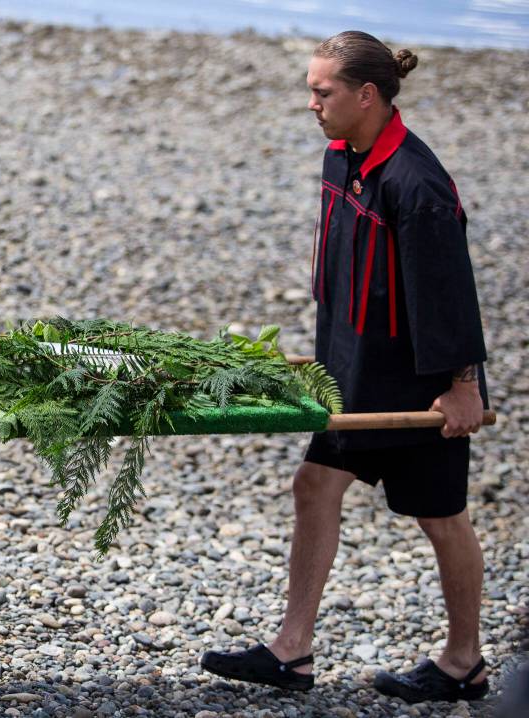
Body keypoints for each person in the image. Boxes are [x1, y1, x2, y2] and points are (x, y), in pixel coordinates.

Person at [200, 31, 490, 704]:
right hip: (354, 374)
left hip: (421, 386)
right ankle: (291, 650)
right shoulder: (343, 158)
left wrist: (462, 385)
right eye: (310, 88)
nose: (311, 103)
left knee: (442, 518)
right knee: (314, 484)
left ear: (367, 95)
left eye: (321, 90)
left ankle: (463, 663)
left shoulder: (417, 186)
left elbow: (450, 292)